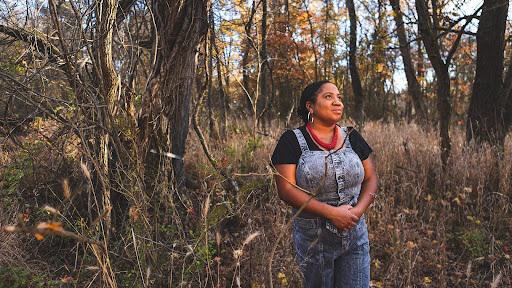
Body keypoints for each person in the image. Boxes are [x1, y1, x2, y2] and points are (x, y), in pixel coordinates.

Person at [271, 80, 378, 287]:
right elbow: (286, 190)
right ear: (310, 106)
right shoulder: (292, 140)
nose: (337, 102)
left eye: (339, 97)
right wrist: (332, 213)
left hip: (355, 237)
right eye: (328, 97)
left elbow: (371, 178)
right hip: (314, 241)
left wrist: (357, 212)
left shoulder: (353, 137)